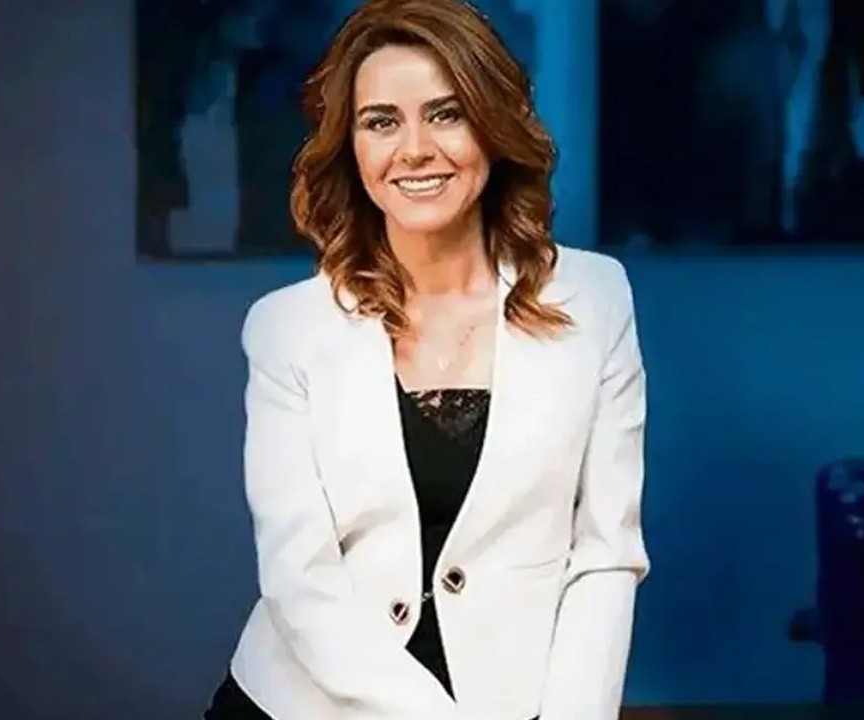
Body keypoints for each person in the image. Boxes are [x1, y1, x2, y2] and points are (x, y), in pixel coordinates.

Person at [202, 0, 650, 718]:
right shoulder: (287, 329)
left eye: (446, 114)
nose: (414, 149)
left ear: (493, 127)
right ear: (351, 147)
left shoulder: (596, 298)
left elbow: (605, 553)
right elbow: (300, 579)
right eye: (382, 122)